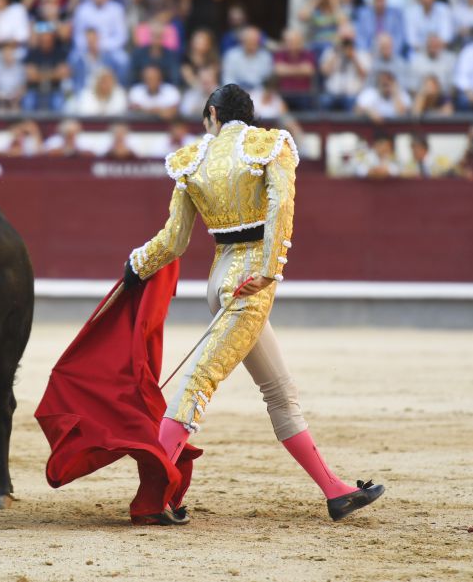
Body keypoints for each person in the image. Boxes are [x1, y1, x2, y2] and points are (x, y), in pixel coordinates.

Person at [123, 84, 384, 524]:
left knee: (280, 391)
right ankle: (152, 498)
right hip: (247, 285)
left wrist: (136, 265)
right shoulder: (271, 144)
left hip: (220, 278)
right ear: (250, 114)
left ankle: (335, 491)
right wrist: (268, 269)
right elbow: (282, 204)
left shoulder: (194, 159)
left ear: (212, 114)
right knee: (198, 381)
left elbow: (174, 240)